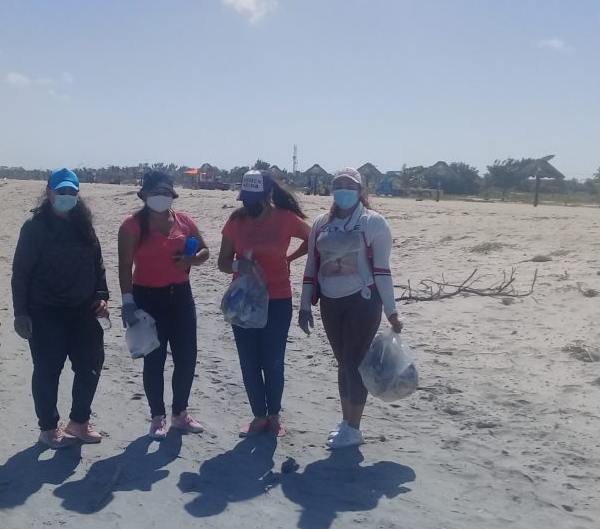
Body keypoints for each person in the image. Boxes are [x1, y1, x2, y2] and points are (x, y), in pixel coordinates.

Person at [298, 167, 403, 449]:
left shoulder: (373, 223)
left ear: (360, 190)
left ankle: (354, 428)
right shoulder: (321, 223)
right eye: (338, 185)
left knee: (354, 364)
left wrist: (392, 311)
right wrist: (305, 304)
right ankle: (346, 422)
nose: (343, 189)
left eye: (350, 185)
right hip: (330, 302)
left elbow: (382, 270)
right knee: (343, 363)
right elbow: (312, 265)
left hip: (362, 300)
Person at [12, 168, 109, 448]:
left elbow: (98, 265)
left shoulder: (84, 224)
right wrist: (21, 313)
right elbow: (21, 273)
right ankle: (48, 428)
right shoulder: (34, 227)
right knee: (47, 370)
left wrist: (102, 296)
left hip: (84, 311)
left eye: (72, 191)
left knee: (91, 366)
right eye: (61, 191)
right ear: (49, 192)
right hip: (46, 312)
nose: (67, 196)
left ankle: (79, 422)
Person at [218, 171, 311, 437]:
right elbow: (222, 262)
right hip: (243, 302)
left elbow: (313, 237)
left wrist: (290, 259)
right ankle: (258, 416)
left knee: (272, 360)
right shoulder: (236, 221)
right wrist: (238, 264)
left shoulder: (285, 219)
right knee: (249, 361)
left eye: (254, 200)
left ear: (267, 195)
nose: (249, 206)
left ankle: (274, 416)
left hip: (277, 299)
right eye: (246, 200)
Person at [118, 170, 210, 439]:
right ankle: (157, 416)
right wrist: (127, 302)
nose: (160, 197)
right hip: (147, 298)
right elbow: (124, 266)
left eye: (165, 192)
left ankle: (180, 413)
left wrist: (190, 261)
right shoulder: (132, 225)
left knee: (186, 357)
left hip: (180, 296)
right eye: (155, 192)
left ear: (173, 195)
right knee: (154, 360)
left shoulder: (184, 220)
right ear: (144, 195)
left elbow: (204, 251)